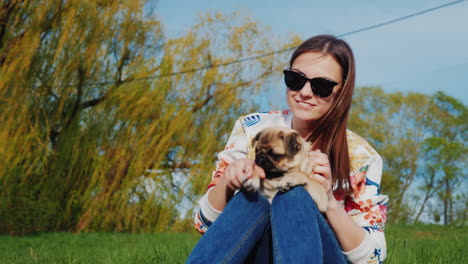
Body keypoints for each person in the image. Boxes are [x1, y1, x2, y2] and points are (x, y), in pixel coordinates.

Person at [186, 35, 389, 264]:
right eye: (295, 79)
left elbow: (373, 258)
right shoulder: (251, 128)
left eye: (321, 86)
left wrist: (329, 201)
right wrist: (227, 182)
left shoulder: (361, 156)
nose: (304, 92)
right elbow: (204, 225)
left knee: (294, 196)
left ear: (342, 91)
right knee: (250, 196)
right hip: (256, 252)